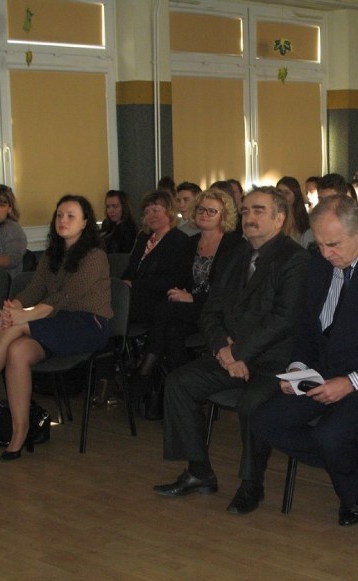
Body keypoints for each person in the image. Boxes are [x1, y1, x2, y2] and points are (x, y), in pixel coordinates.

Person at [251, 195, 358, 524]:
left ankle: (350, 496)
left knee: (330, 435)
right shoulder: (319, 263)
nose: (326, 253)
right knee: (265, 421)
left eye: (333, 245)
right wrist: (298, 370)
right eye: (319, 244)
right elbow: (306, 327)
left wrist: (350, 383)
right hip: (324, 370)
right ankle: (357, 465)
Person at [153, 186, 311, 514]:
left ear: (279, 219)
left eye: (258, 211)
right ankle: (199, 471)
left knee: (252, 404)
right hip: (231, 355)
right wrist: (221, 348)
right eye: (246, 210)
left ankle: (251, 484)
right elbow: (211, 308)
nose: (248, 217)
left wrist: (239, 353)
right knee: (180, 383)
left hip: (274, 363)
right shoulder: (237, 254)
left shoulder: (295, 259)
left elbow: (283, 320)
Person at [0, 195, 112, 460]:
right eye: (59, 215)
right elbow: (34, 289)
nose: (63, 221)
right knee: (17, 352)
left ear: (85, 223)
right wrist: (13, 307)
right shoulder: (52, 253)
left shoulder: (94, 255)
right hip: (55, 322)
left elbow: (63, 297)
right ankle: (18, 433)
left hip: (88, 323)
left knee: (13, 329)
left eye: (71, 216)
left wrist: (24, 316)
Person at [136, 187, 245, 378]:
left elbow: (228, 290)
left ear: (223, 215)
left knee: (165, 310)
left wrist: (192, 298)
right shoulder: (190, 242)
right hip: (190, 309)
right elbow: (180, 278)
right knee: (172, 329)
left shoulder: (234, 245)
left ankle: (147, 368)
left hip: (216, 310)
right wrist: (184, 295)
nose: (205, 214)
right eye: (201, 210)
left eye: (212, 211)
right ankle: (177, 384)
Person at [122, 190, 192, 325]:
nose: (151, 215)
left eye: (155, 210)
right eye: (147, 212)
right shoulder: (144, 237)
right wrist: (123, 284)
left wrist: (134, 285)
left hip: (159, 298)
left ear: (169, 211)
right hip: (134, 294)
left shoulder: (179, 240)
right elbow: (131, 268)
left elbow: (173, 279)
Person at [100, 189, 139, 254]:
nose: (111, 210)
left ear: (124, 207)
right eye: (108, 207)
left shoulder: (130, 229)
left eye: (115, 206)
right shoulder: (107, 225)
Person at [276, 176, 310, 245]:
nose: (282, 196)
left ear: (296, 195)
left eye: (286, 193)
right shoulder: (273, 218)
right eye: (279, 192)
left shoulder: (305, 219)